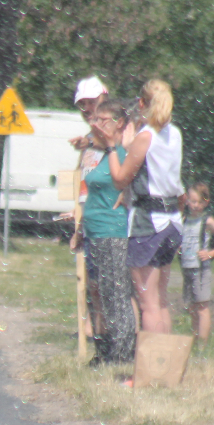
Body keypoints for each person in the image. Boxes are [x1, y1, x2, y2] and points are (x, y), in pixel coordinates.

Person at [99, 80, 184, 334]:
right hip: (172, 220)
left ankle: (149, 369)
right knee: (161, 300)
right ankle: (165, 364)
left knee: (148, 304)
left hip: (148, 222)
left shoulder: (145, 137)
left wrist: (112, 146)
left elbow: (119, 179)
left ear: (141, 104)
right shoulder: (174, 133)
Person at [81, 99, 134, 364]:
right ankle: (103, 351)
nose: (97, 125)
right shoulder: (99, 153)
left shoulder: (122, 154)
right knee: (98, 292)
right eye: (96, 120)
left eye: (104, 120)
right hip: (93, 231)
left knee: (116, 294)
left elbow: (124, 181)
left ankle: (122, 354)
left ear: (120, 124)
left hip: (112, 231)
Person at [68, 76, 110, 346]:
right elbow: (82, 181)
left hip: (110, 218)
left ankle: (115, 343)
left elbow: (119, 151)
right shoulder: (87, 138)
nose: (86, 109)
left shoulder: (112, 131)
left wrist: (91, 143)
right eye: (82, 105)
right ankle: (99, 343)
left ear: (104, 98)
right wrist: (77, 218)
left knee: (110, 287)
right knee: (92, 285)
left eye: (91, 102)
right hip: (90, 218)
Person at [179, 182, 214, 348]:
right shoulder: (184, 219)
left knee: (202, 306)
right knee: (192, 307)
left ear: (205, 202)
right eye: (191, 201)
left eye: (198, 202)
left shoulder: (207, 221)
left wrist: (211, 253)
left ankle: (202, 345)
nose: (194, 205)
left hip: (201, 269)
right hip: (187, 267)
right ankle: (195, 340)